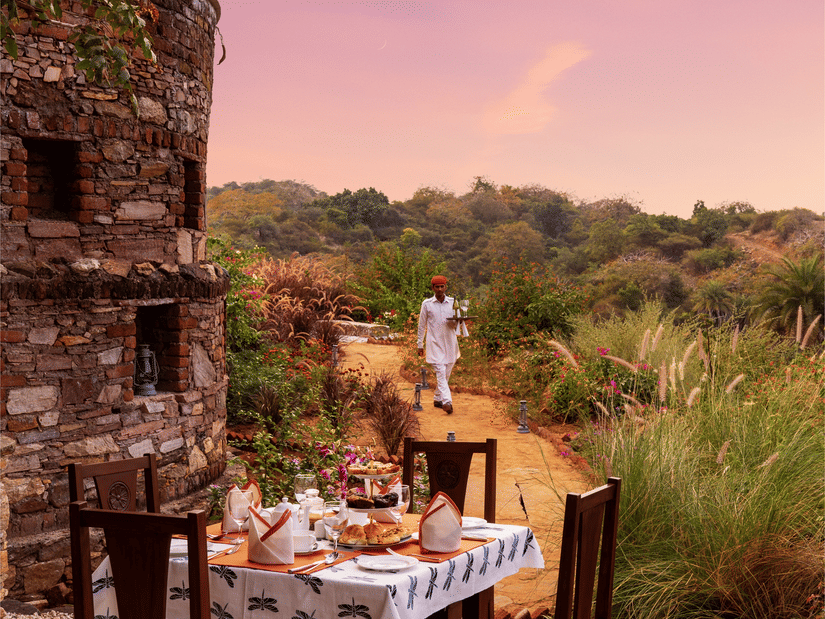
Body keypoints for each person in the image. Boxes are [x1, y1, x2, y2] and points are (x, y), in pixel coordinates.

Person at [417, 275, 466, 414]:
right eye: (437, 287)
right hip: (434, 343)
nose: (439, 289)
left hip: (450, 343)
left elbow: (457, 322)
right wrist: (419, 344)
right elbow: (421, 326)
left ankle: (438, 398)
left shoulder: (452, 303)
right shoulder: (427, 304)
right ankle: (447, 401)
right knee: (440, 371)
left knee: (446, 373)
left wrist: (458, 321)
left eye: (442, 286)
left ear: (445, 287)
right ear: (433, 288)